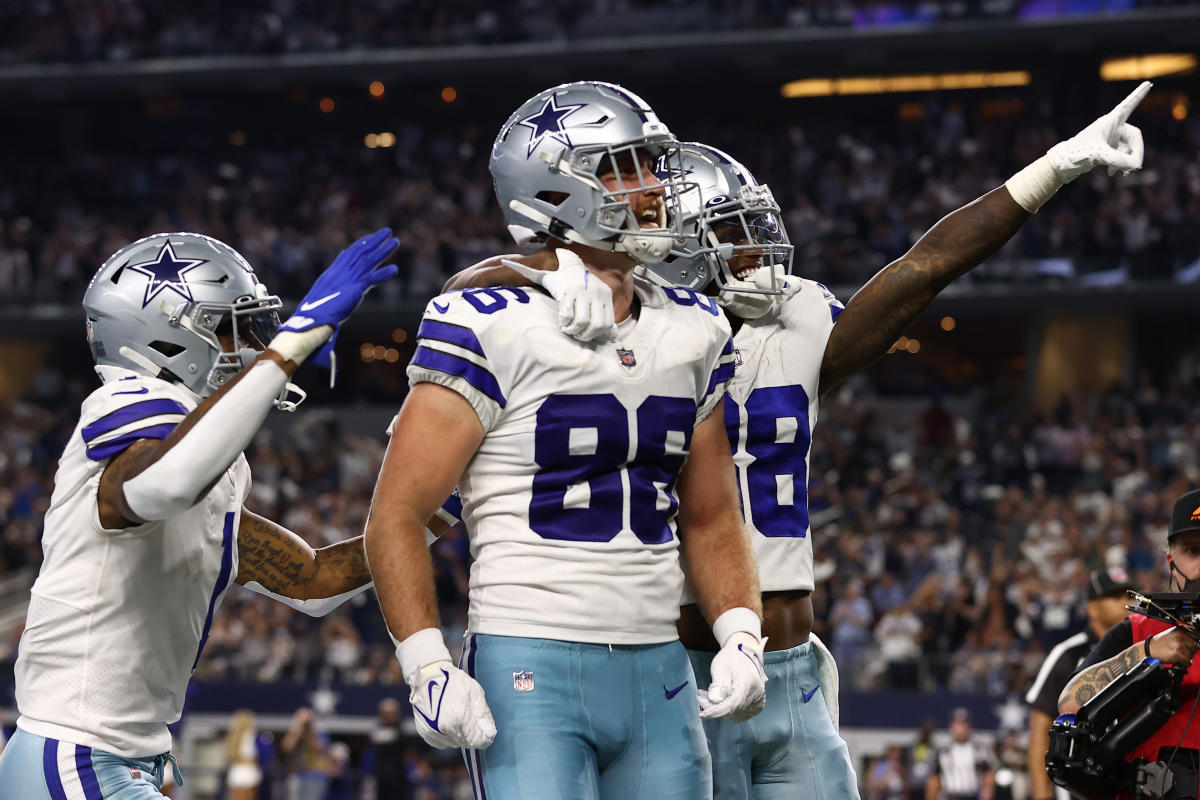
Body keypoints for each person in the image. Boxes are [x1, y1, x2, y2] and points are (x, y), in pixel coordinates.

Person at [444, 80, 1151, 799]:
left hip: (792, 670)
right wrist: (542, 267)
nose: (756, 256)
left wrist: (1053, 168)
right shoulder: (625, 334)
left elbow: (925, 267)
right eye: (728, 235)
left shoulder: (799, 316)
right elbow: (475, 291)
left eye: (754, 230)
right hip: (686, 665)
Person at [364, 81, 766, 800]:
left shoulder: (695, 328)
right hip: (531, 658)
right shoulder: (488, 319)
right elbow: (396, 514)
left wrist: (740, 631)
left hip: (660, 667)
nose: (654, 188)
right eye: (627, 167)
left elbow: (711, 515)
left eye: (652, 165)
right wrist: (425, 662)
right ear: (554, 190)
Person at [0, 228, 399, 798]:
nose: (251, 344)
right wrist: (291, 348)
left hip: (120, 756)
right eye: (229, 328)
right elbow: (163, 484)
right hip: (78, 755)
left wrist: (446, 506)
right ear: (165, 335)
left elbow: (317, 582)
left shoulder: (210, 461)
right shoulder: (130, 402)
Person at [1058, 489, 1200, 793]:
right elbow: (1069, 702)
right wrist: (1146, 651)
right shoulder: (1134, 630)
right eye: (1192, 551)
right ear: (1170, 561)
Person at [1025, 567, 1134, 800]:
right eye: (1115, 596)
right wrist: (1042, 795)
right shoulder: (1067, 654)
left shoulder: (1145, 649)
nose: (1126, 601)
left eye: (1129, 595)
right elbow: (1040, 729)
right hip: (1077, 790)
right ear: (1092, 608)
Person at [925, 708, 997, 800]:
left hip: (973, 795)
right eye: (957, 724)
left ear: (969, 726)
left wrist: (987, 792)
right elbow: (933, 779)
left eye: (963, 724)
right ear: (952, 726)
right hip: (950, 796)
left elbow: (989, 774)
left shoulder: (979, 748)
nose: (960, 728)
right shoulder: (942, 749)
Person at [223, 709, 262, 800]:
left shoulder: (232, 738)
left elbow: (229, 758)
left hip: (236, 773)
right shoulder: (251, 736)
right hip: (249, 773)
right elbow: (254, 756)